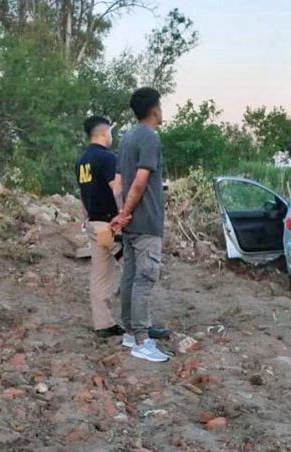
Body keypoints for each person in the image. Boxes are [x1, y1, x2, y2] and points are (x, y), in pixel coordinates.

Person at [110, 87, 169, 362]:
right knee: (145, 279)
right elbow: (140, 181)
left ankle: (130, 333)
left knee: (130, 278)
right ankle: (142, 342)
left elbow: (119, 182)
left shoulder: (126, 138)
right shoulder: (150, 138)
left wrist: (121, 213)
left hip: (131, 223)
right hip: (145, 223)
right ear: (154, 109)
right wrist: (128, 212)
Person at [76, 116, 124, 338]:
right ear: (104, 133)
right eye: (111, 132)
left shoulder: (82, 161)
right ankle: (138, 323)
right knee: (132, 268)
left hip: (94, 224)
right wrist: (124, 216)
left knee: (100, 273)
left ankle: (103, 324)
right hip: (110, 225)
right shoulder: (107, 158)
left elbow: (84, 194)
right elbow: (117, 190)